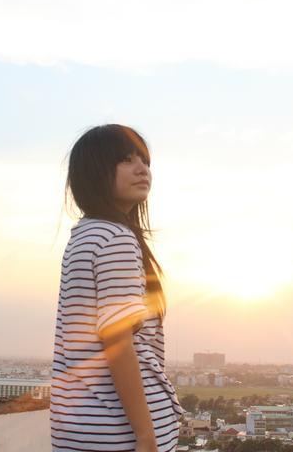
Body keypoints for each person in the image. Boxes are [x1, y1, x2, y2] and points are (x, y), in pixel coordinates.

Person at [50, 124, 183, 452]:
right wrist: (145, 435)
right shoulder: (115, 238)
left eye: (145, 160)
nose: (142, 169)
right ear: (94, 171)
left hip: (83, 427)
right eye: (126, 160)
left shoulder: (85, 234)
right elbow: (118, 340)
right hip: (120, 431)